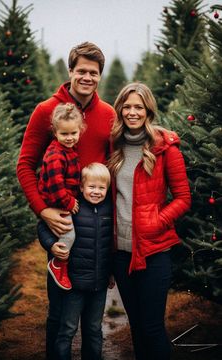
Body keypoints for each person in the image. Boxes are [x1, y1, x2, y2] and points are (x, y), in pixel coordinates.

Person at [16, 42, 115, 360]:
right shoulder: (47, 111)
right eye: (81, 71)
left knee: (92, 323)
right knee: (61, 316)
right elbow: (24, 165)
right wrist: (43, 210)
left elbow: (120, 157)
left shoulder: (108, 114)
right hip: (60, 219)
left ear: (100, 75)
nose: (87, 77)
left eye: (94, 72)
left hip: (96, 223)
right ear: (70, 71)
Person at [107, 82, 191, 360]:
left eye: (138, 107)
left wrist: (156, 221)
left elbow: (182, 198)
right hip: (121, 256)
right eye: (127, 106)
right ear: (120, 109)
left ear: (148, 111)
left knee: (152, 327)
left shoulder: (166, 149)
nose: (132, 112)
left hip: (154, 252)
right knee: (137, 327)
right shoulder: (113, 147)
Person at [38, 162, 113, 360]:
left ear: (108, 188)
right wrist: (51, 246)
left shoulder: (109, 210)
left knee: (94, 330)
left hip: (99, 284)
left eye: (101, 187)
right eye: (91, 187)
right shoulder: (72, 208)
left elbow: (110, 245)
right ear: (81, 187)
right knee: (68, 329)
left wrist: (110, 273)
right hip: (74, 284)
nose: (96, 192)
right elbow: (44, 228)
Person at [38, 103, 85, 290]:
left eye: (73, 133)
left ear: (80, 130)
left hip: (62, 199)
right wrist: (69, 201)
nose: (69, 138)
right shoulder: (56, 155)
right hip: (56, 202)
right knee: (69, 235)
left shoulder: (68, 150)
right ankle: (58, 264)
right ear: (55, 132)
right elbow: (57, 186)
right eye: (64, 134)